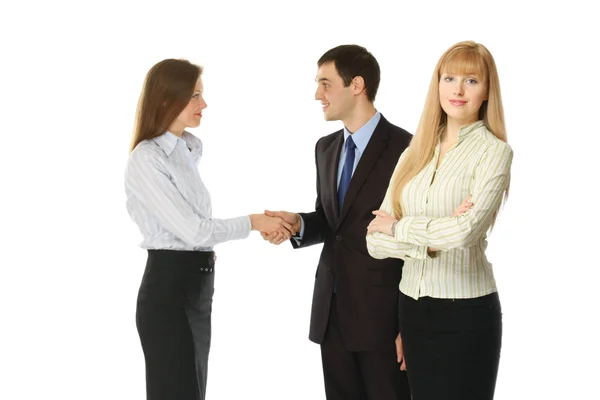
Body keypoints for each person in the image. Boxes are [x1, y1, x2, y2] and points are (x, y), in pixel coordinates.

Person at [124, 58, 293, 400]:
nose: (204, 104)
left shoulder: (187, 151)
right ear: (166, 99)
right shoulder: (147, 158)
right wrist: (253, 222)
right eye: (195, 95)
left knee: (192, 390)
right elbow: (194, 232)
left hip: (197, 289)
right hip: (169, 292)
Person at [262, 45, 412, 400]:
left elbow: (413, 240)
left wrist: (409, 325)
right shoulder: (325, 148)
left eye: (326, 84)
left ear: (356, 85)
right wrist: (299, 223)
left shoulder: (407, 149)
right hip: (331, 316)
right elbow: (335, 224)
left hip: (383, 321)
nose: (318, 94)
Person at [366, 40, 513, 400]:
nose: (458, 90)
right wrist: (433, 237)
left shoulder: (495, 152)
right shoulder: (413, 153)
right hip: (412, 309)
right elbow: (373, 240)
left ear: (487, 90)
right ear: (437, 85)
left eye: (471, 81)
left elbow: (464, 233)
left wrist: (399, 227)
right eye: (449, 78)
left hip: (466, 312)